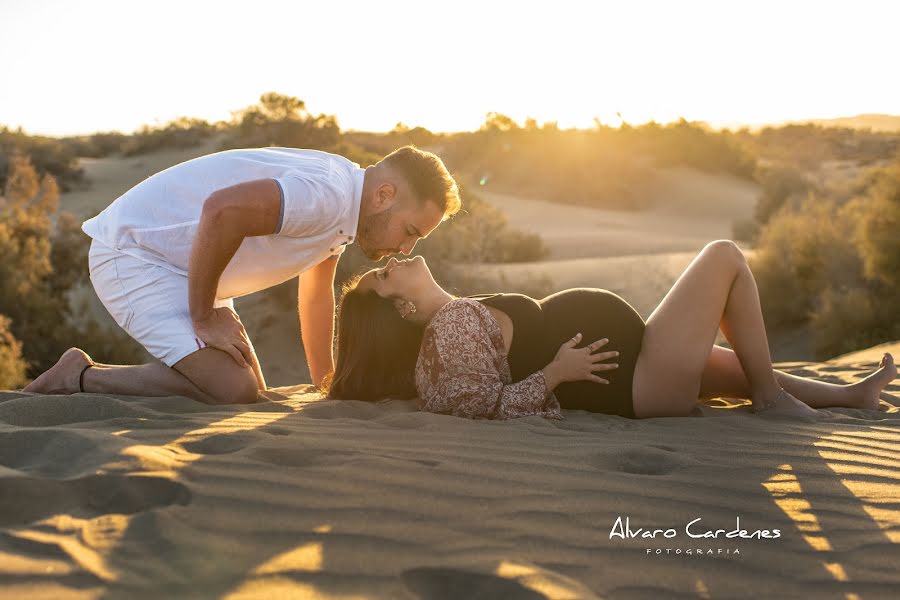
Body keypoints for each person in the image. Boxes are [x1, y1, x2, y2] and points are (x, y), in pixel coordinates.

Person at [24, 146, 460, 404]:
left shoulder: (346, 204)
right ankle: (79, 376)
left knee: (251, 392)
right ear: (384, 196)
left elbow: (314, 294)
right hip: (135, 256)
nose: (405, 249)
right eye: (410, 231)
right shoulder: (328, 195)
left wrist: (327, 385)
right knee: (232, 390)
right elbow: (222, 210)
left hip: (194, 271)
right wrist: (204, 316)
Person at [325, 241, 897, 419]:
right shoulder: (448, 327)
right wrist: (556, 372)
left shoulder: (458, 314)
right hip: (637, 383)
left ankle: (851, 395)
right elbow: (482, 404)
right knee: (724, 256)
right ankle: (772, 401)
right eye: (383, 275)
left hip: (640, 358)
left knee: (741, 368)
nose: (394, 260)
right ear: (399, 309)